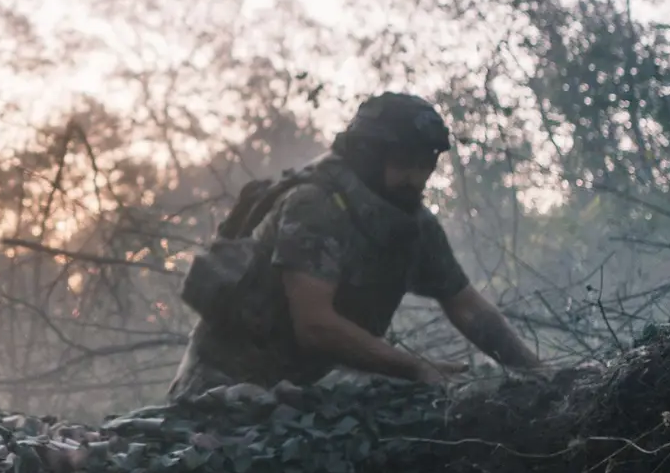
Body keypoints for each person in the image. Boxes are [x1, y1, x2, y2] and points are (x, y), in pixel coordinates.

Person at [169, 92, 541, 400]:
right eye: (404, 162)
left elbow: (465, 305)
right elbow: (314, 325)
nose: (416, 177)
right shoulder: (316, 204)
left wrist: (538, 373)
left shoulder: (412, 223)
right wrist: (415, 368)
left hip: (296, 391)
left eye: (426, 163)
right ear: (369, 154)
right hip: (220, 387)